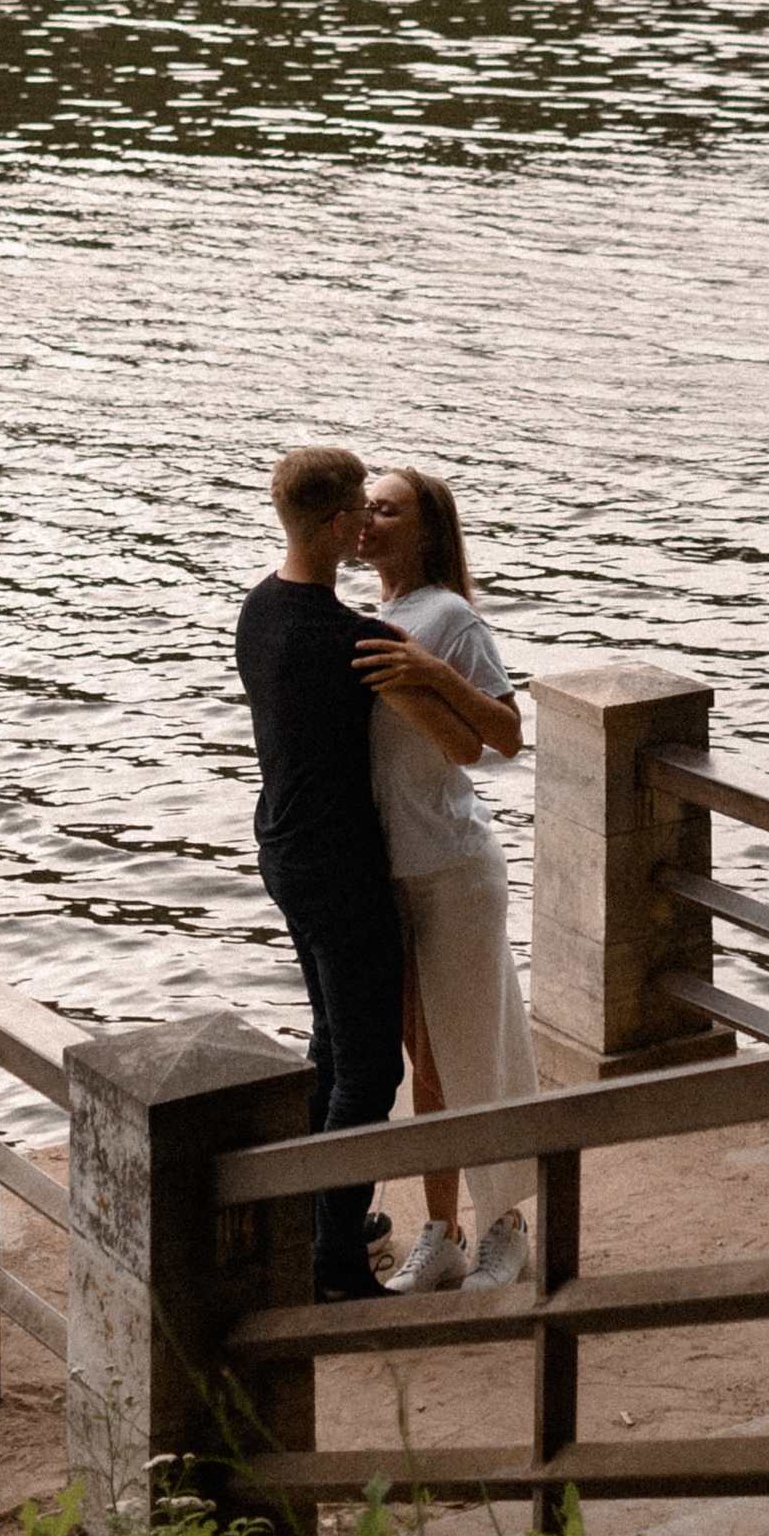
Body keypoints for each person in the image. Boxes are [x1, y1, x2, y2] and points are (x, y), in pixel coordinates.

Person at [351, 466, 540, 1294]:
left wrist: (431, 674)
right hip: (389, 872)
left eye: (385, 510)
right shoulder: (369, 616)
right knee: (420, 1064)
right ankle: (442, 1233)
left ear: (424, 530)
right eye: (363, 507)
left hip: (455, 870)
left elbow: (503, 734)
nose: (366, 519)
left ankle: (507, 1226)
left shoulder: (450, 617)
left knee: (473, 1053)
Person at [232, 442, 402, 1301]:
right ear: (336, 526)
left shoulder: (258, 612)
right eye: (364, 510)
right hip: (339, 866)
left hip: (283, 850)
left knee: (333, 1043)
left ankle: (315, 1216)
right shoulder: (356, 642)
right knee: (371, 1068)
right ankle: (334, 1262)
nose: (371, 522)